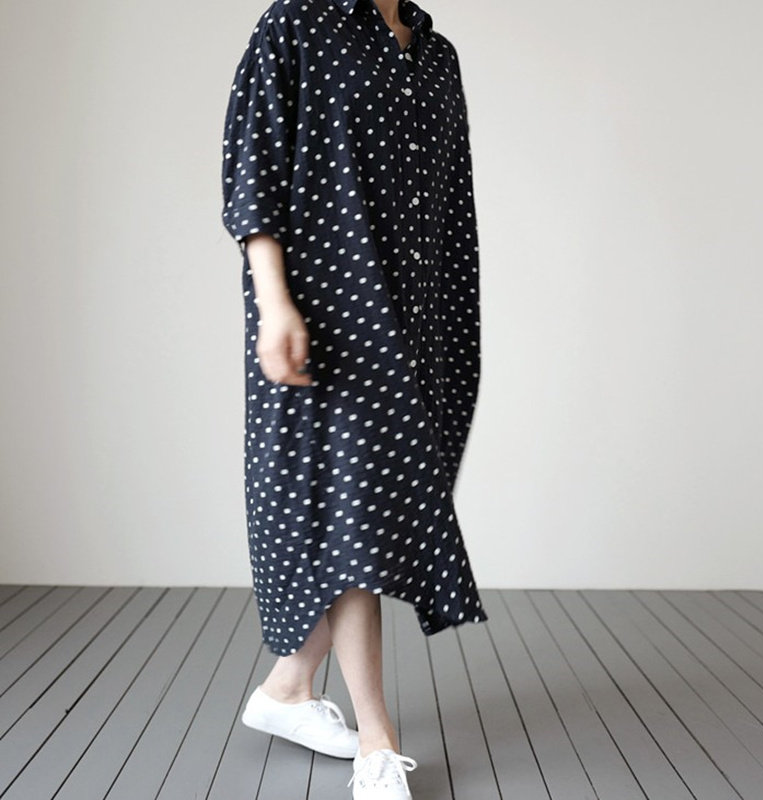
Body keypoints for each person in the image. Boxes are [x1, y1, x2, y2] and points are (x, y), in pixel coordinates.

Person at [220, 0, 486, 796]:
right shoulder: (297, 23)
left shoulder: (435, 56)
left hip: (416, 320)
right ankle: (377, 740)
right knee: (354, 517)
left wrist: (448, 326)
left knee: (376, 511)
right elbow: (253, 168)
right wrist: (274, 303)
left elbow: (451, 205)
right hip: (325, 318)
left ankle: (288, 689)